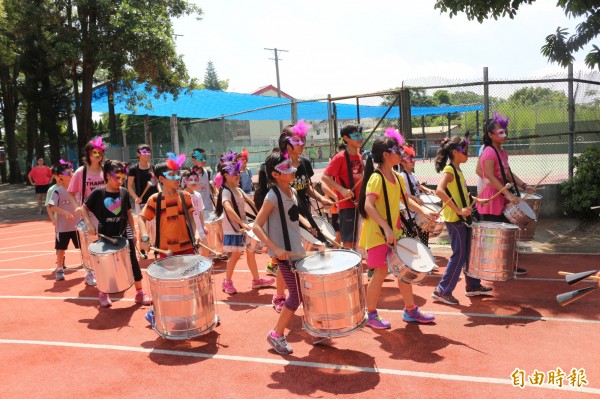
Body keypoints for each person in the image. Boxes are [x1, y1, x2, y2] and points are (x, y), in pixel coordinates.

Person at [358, 129, 436, 328]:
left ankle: (410, 310)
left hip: (394, 232)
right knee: (381, 273)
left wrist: (425, 212)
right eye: (396, 150)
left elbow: (407, 200)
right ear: (386, 155)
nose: (401, 153)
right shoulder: (377, 178)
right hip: (377, 234)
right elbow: (368, 206)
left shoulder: (398, 177)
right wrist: (385, 228)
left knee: (404, 272)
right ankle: (371, 314)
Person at [252, 150, 310, 355]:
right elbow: (257, 226)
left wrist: (312, 230)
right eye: (286, 167)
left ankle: (315, 327)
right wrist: (275, 248)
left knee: (307, 291)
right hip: (284, 255)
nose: (292, 169)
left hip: (297, 250)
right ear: (275, 174)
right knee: (295, 296)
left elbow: (294, 216)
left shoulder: (291, 191)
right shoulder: (272, 195)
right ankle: (276, 334)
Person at [80, 160, 152, 308]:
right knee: (105, 267)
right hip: (105, 237)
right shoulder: (98, 193)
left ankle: (139, 293)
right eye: (116, 177)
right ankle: (103, 293)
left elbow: (128, 214)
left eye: (123, 177)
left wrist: (134, 232)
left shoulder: (124, 193)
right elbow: (83, 208)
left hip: (124, 236)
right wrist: (88, 224)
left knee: (133, 263)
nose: (120, 181)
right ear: (107, 175)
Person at [431, 136, 492, 306]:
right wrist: (458, 210)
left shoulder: (458, 171)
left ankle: (473, 285)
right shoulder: (449, 171)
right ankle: (442, 290)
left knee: (469, 253)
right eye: (464, 150)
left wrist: (476, 201)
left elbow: (462, 194)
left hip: (463, 218)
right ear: (454, 153)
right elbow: (439, 191)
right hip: (455, 219)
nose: (468, 153)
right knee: (459, 255)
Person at [475, 113, 535, 275]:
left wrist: (524, 185)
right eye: (500, 132)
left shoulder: (502, 152)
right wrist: (508, 195)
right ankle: (487, 268)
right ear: (490, 135)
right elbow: (489, 176)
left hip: (501, 197)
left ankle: (507, 264)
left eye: (505, 131)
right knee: (492, 236)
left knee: (508, 233)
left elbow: (507, 173)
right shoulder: (488, 152)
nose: (505, 135)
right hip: (491, 199)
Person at [215, 152, 274, 294]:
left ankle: (256, 280)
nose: (238, 175)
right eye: (234, 173)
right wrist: (242, 223)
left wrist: (262, 216)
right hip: (235, 229)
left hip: (244, 227)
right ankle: (227, 281)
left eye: (238, 172)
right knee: (235, 256)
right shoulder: (226, 191)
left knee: (250, 253)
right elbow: (228, 208)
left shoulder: (239, 190)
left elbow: (252, 205)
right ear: (226, 175)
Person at [139, 154, 200, 257]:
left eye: (177, 173)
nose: (177, 177)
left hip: (187, 247)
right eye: (171, 175)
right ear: (161, 179)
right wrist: (145, 237)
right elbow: (141, 218)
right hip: (165, 250)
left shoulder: (185, 196)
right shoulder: (154, 199)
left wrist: (196, 233)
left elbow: (191, 219)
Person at [68, 137, 107, 287]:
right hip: (89, 214)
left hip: (107, 212)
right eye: (94, 152)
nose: (97, 155)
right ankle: (90, 272)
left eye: (100, 152)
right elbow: (71, 193)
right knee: (91, 245)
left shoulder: (106, 170)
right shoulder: (80, 172)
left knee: (106, 244)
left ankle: (104, 270)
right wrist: (76, 207)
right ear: (88, 154)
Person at [322, 125, 364, 248]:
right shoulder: (340, 157)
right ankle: (349, 267)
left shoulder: (360, 156)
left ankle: (357, 266)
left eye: (360, 135)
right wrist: (342, 190)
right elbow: (325, 177)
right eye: (356, 136)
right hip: (347, 206)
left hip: (359, 205)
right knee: (348, 242)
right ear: (346, 138)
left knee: (358, 240)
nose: (360, 138)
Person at [398, 144, 438, 246]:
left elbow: (418, 186)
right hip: (410, 213)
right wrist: (415, 198)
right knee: (412, 238)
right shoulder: (402, 176)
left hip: (418, 211)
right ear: (402, 162)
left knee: (424, 234)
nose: (413, 161)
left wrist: (429, 190)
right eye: (410, 159)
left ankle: (425, 250)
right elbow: (401, 194)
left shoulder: (413, 175)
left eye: (413, 158)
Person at [47, 161, 78, 281]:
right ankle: (59, 269)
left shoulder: (78, 190)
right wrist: (66, 213)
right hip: (63, 227)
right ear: (60, 176)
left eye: (71, 171)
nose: (70, 174)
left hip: (78, 226)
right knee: (61, 250)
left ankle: (89, 271)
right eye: (67, 173)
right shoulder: (57, 191)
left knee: (84, 250)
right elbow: (52, 206)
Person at [180, 169, 210, 258]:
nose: (193, 182)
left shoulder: (198, 195)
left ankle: (202, 269)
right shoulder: (181, 196)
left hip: (199, 228)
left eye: (196, 180)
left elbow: (199, 211)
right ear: (185, 181)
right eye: (190, 180)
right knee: (191, 254)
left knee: (206, 251)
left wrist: (203, 225)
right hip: (188, 230)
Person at [127, 144, 159, 214]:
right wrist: (136, 198)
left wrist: (160, 192)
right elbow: (129, 186)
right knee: (143, 223)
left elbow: (156, 183)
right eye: (144, 152)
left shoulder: (153, 167)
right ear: (138, 154)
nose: (147, 154)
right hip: (142, 202)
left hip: (155, 199)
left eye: (148, 152)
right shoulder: (133, 169)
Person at [190, 148, 215, 213]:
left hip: (208, 209)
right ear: (193, 160)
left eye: (205, 157)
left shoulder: (209, 173)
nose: (204, 160)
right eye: (201, 158)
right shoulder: (187, 175)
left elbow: (213, 191)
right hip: (194, 212)